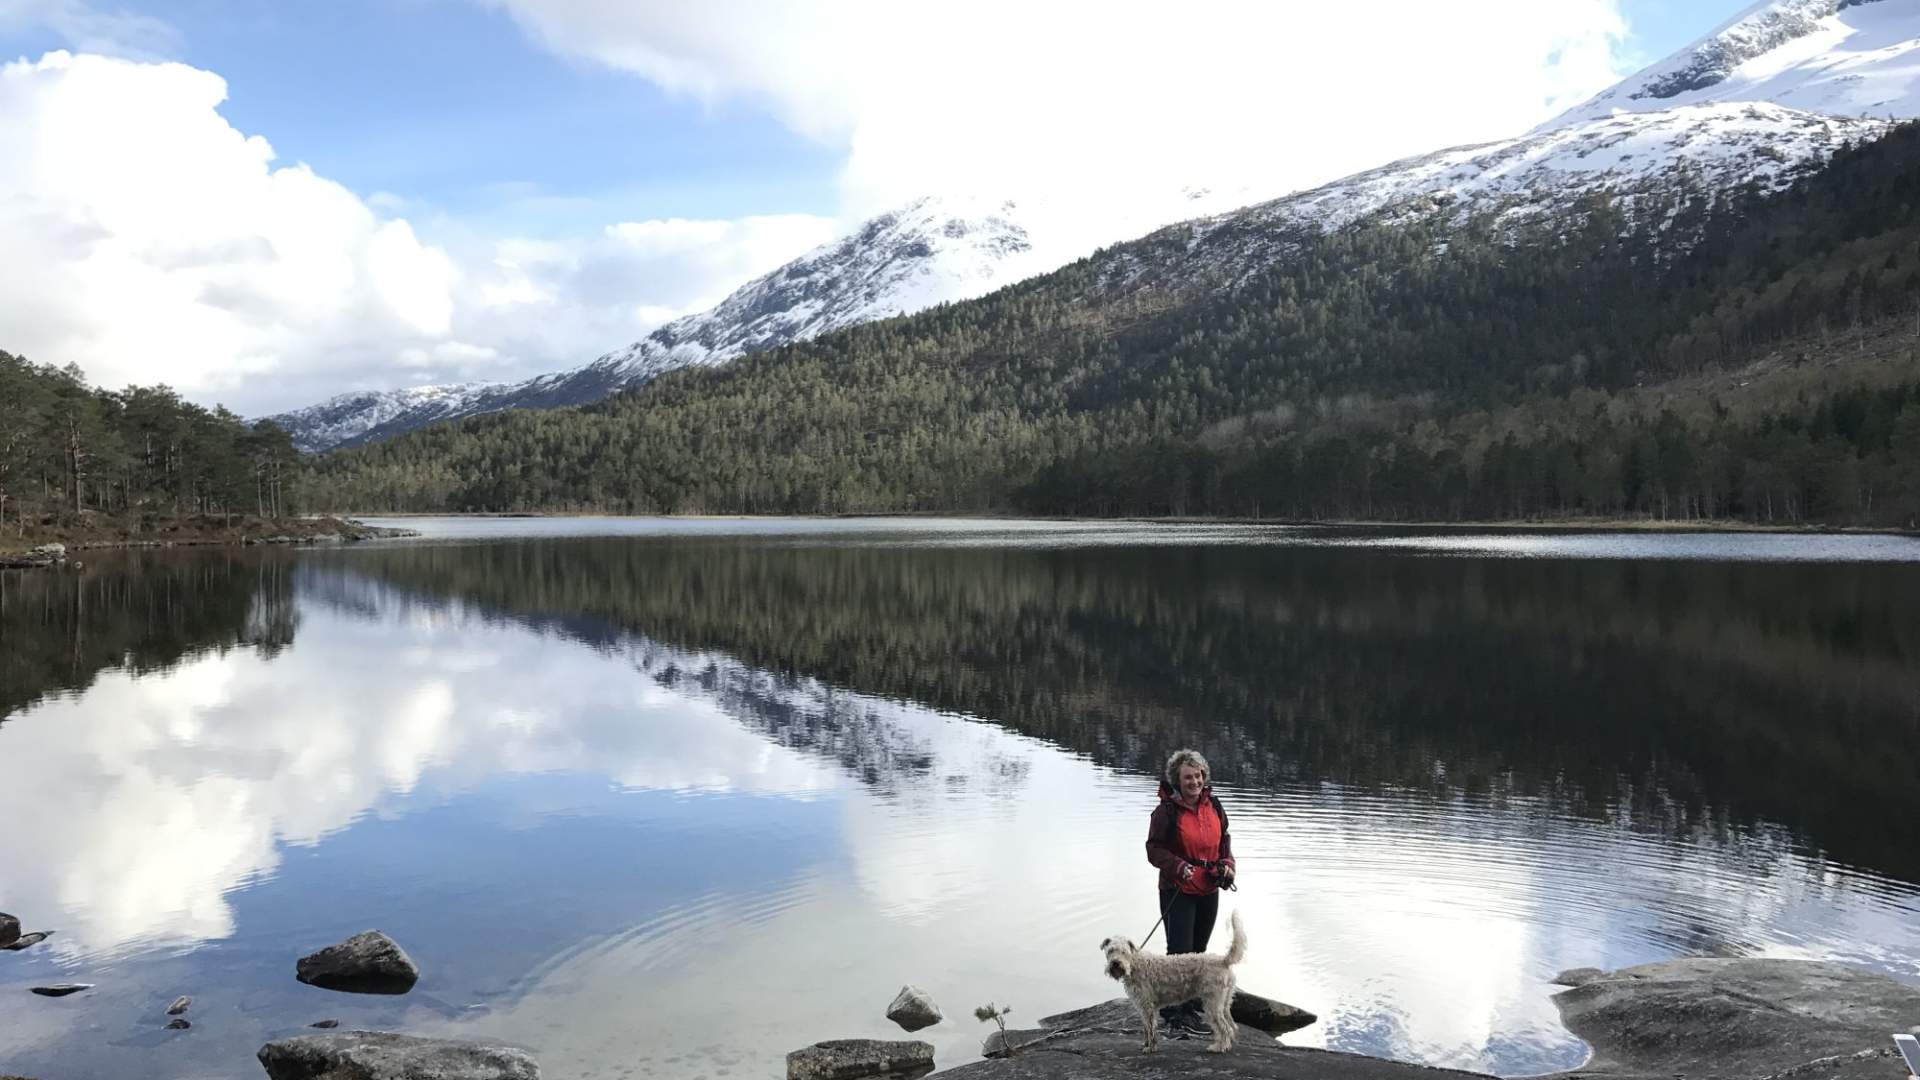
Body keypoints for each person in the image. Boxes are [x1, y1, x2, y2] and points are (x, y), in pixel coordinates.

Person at [1144, 748, 1236, 1036]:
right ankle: (1175, 1014)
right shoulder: (1166, 811)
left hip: (1209, 887)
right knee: (1179, 952)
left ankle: (1190, 1005)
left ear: (1204, 776)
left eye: (1198, 776)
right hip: (1177, 888)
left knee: (1198, 951)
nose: (1194, 782)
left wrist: (1227, 865)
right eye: (1187, 778)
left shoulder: (1215, 806)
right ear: (1177, 780)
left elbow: (1225, 842)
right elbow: (1153, 849)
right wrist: (1178, 866)